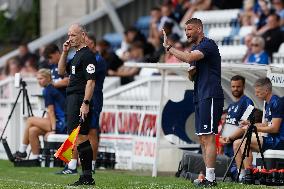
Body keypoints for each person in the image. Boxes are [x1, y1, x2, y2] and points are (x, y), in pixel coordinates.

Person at [162, 18, 224, 187]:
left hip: (210, 95)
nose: (187, 33)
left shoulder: (207, 45)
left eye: (189, 29)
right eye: (185, 30)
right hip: (200, 95)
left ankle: (211, 178)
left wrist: (170, 49)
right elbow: (192, 75)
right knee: (202, 138)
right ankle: (207, 175)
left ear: (199, 29)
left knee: (209, 137)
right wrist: (192, 70)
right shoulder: (196, 48)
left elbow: (189, 57)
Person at [58, 23, 106, 186]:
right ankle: (86, 176)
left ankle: (87, 175)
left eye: (73, 35)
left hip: (79, 98)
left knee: (80, 136)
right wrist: (64, 53)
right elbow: (60, 71)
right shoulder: (75, 55)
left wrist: (85, 103)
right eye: (68, 35)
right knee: (78, 136)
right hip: (72, 98)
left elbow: (91, 82)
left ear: (83, 35)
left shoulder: (87, 56)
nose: (69, 38)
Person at [234, 77, 284, 180]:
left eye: (258, 92)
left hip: (279, 140)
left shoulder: (276, 102)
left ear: (266, 91)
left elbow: (275, 128)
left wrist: (253, 128)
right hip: (271, 139)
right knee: (236, 143)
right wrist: (249, 123)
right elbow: (264, 124)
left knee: (245, 141)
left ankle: (249, 175)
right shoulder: (267, 103)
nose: (256, 95)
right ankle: (241, 176)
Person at [13, 69, 66, 160]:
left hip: (62, 124)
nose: (39, 81)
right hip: (60, 122)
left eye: (41, 78)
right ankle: (35, 158)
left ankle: (22, 151)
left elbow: (51, 112)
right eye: (37, 79)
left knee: (30, 120)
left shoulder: (48, 90)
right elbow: (51, 113)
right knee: (33, 130)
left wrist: (53, 130)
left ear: (48, 78)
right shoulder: (50, 89)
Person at [219, 75, 254, 181]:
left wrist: (229, 138)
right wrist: (222, 138)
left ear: (243, 87)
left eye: (238, 86)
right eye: (233, 86)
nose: (235, 89)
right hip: (227, 147)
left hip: (239, 146)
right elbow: (227, 124)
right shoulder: (231, 106)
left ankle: (243, 177)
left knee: (238, 177)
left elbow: (245, 126)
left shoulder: (248, 102)